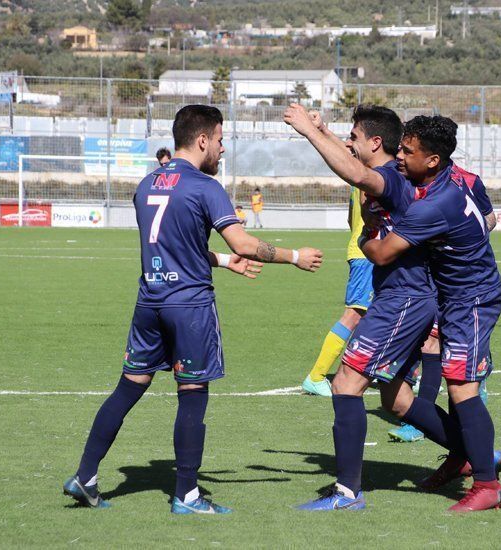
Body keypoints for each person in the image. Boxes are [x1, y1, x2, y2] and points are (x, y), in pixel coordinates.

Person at [63, 105, 323, 515]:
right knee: (192, 394)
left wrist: (220, 262)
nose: (222, 149)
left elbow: (173, 244)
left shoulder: (147, 184)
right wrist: (294, 256)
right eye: (220, 140)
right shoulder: (205, 186)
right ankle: (186, 496)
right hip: (190, 307)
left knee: (128, 388)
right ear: (203, 140)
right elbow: (244, 243)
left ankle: (86, 475)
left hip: (149, 301)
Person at [285, 105, 501, 512]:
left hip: (413, 299)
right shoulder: (421, 176)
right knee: (397, 398)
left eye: (354, 137)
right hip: (427, 296)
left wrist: (310, 134)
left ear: (376, 143)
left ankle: (348, 494)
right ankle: (475, 453)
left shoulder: (397, 181)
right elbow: (357, 163)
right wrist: (325, 131)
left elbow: (358, 178)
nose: (403, 158)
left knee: (348, 383)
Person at [356, 115, 501, 513]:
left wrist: (367, 233)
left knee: (461, 387)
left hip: (472, 299)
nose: (399, 156)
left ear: (435, 159)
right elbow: (488, 219)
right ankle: (462, 455)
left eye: (408, 151)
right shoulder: (463, 178)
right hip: (446, 295)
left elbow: (382, 252)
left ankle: (488, 485)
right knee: (399, 395)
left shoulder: (435, 204)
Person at [300, 184, 374, 397]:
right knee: (353, 315)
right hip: (367, 254)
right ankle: (316, 376)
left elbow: (350, 218)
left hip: (367, 251)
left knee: (388, 313)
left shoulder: (359, 176)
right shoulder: (372, 173)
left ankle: (405, 375)